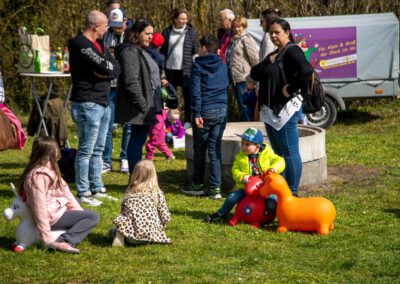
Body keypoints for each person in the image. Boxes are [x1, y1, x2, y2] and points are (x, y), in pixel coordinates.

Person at [250, 19, 314, 196]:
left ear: (287, 32)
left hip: (285, 110)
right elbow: (254, 73)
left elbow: (307, 71)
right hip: (271, 111)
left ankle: (292, 193)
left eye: (277, 32)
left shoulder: (292, 51)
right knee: (279, 153)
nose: (273, 35)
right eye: (271, 32)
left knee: (289, 152)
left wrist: (291, 88)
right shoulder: (275, 54)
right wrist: (268, 61)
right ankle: (283, 191)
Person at [69, 10, 120, 206]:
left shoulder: (101, 45)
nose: (107, 29)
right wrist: (106, 70)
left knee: (99, 149)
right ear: (95, 26)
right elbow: (104, 67)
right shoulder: (80, 44)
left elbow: (115, 67)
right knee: (86, 150)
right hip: (87, 102)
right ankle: (83, 191)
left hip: (104, 101)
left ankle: (97, 187)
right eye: (105, 25)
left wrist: (106, 70)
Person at [18, 137, 100, 254]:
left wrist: (79, 214)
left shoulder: (50, 169)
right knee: (92, 217)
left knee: (88, 216)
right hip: (51, 217)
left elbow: (67, 195)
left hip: (56, 212)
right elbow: (39, 206)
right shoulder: (39, 176)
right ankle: (64, 241)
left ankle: (67, 236)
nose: (59, 150)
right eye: (56, 148)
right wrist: (46, 237)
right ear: (51, 152)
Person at [181, 35, 228, 199]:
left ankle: (197, 185)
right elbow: (225, 86)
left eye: (200, 47)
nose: (198, 50)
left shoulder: (197, 66)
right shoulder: (223, 65)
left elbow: (195, 91)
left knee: (200, 148)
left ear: (205, 49)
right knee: (215, 150)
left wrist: (197, 112)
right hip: (221, 110)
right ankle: (215, 188)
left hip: (205, 111)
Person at [204, 128, 285, 223]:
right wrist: (244, 177)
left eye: (247, 144)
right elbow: (235, 170)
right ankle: (220, 214)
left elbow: (280, 160)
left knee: (272, 204)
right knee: (231, 198)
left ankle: (271, 218)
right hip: (247, 188)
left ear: (257, 146)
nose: (243, 147)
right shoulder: (240, 157)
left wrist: (274, 168)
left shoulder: (267, 154)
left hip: (265, 188)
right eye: (242, 143)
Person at [115, 18, 157, 173]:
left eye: (152, 34)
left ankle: (137, 178)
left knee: (138, 141)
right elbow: (131, 82)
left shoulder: (139, 50)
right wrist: (143, 105)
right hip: (137, 107)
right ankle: (135, 179)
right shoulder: (130, 52)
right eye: (147, 33)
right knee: (136, 142)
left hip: (142, 106)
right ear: (137, 33)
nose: (150, 37)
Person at [111, 160, 171, 247]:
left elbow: (124, 212)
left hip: (130, 236)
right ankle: (153, 231)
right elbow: (165, 216)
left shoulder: (130, 190)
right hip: (152, 237)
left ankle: (119, 235)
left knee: (116, 227)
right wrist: (162, 225)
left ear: (134, 174)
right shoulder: (157, 192)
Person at [102, 8, 130, 174]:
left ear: (126, 21)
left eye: (120, 25)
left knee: (128, 126)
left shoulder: (131, 35)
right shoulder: (106, 34)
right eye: (114, 25)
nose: (117, 28)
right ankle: (106, 160)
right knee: (108, 124)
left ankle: (124, 158)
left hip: (126, 86)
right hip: (110, 84)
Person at [161, 8, 198, 128]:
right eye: (181, 18)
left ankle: (187, 121)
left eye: (185, 18)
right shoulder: (166, 32)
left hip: (186, 70)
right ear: (175, 19)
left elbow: (195, 50)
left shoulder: (191, 32)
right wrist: (162, 71)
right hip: (170, 69)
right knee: (169, 97)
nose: (184, 21)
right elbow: (162, 52)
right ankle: (168, 122)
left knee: (187, 96)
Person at [225, 16, 259, 121]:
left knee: (245, 105)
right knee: (241, 104)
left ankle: (248, 126)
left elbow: (255, 59)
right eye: (235, 27)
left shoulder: (246, 39)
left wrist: (256, 78)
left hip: (244, 77)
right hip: (235, 78)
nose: (237, 29)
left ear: (244, 27)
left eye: (239, 27)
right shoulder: (234, 40)